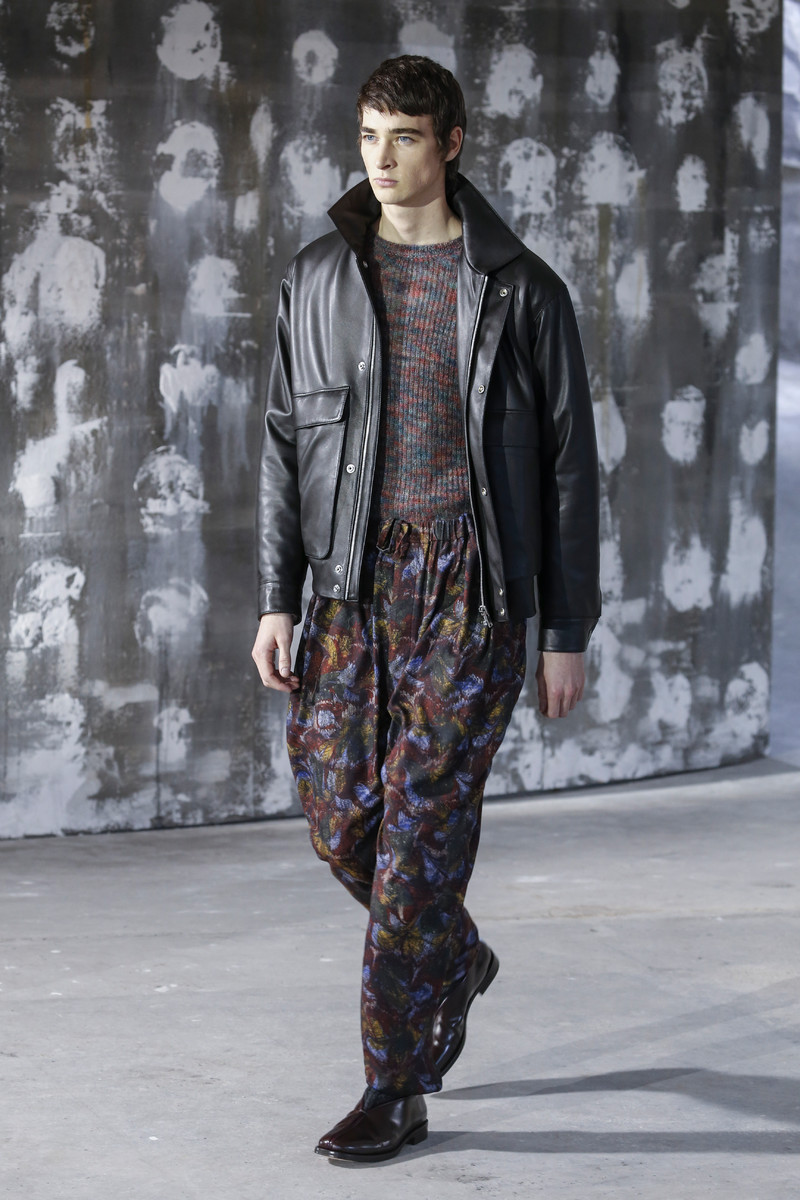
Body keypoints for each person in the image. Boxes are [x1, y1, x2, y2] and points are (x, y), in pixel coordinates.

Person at [252, 54, 601, 1164]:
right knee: (339, 823)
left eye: (404, 138)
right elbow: (281, 445)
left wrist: (564, 630)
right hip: (348, 589)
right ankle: (451, 953)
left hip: (471, 592)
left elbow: (569, 470)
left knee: (416, 848)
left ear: (450, 144)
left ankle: (393, 1085)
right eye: (368, 136)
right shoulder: (317, 277)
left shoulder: (522, 290)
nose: (382, 159)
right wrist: (275, 599)